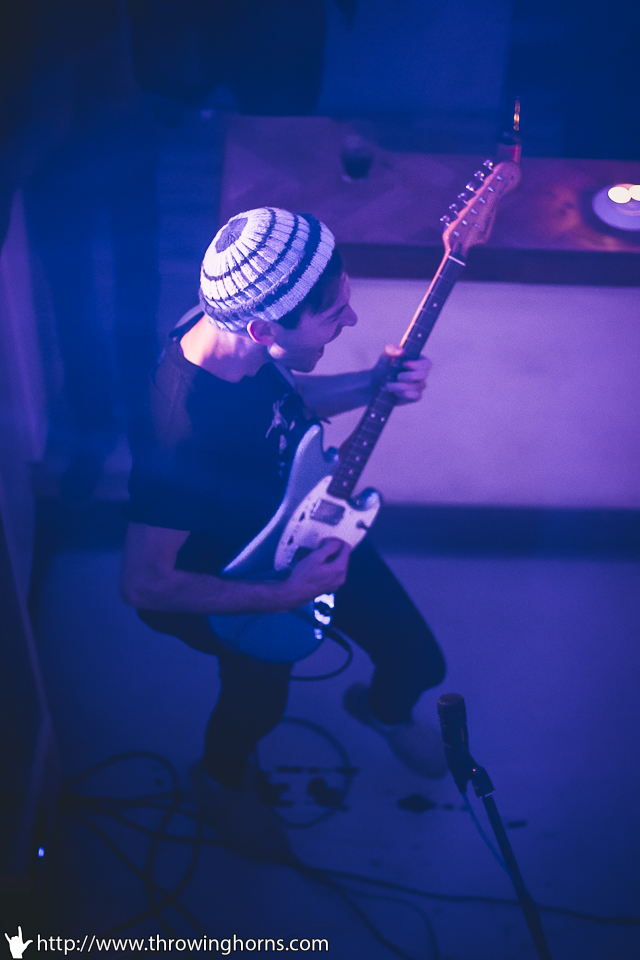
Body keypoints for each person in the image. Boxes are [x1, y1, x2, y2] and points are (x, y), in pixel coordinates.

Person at [120, 208, 446, 861]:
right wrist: (282, 594)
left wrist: (373, 383)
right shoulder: (181, 435)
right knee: (257, 703)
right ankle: (219, 781)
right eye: (334, 315)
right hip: (229, 576)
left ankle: (382, 709)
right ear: (264, 329)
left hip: (295, 527)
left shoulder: (227, 325)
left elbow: (283, 406)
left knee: (419, 661)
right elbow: (145, 584)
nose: (352, 320)